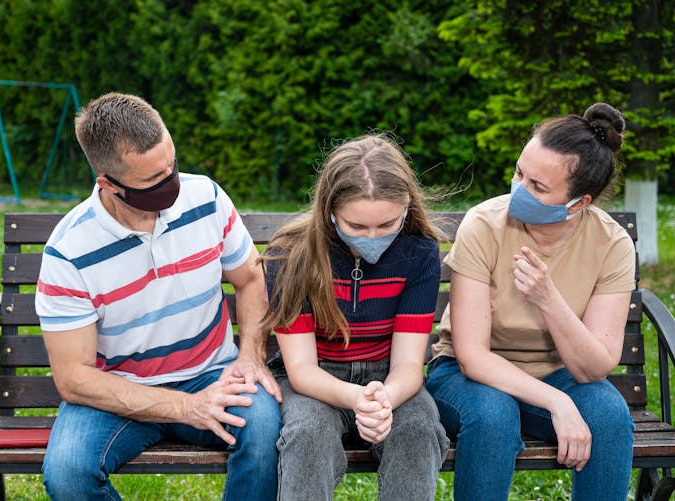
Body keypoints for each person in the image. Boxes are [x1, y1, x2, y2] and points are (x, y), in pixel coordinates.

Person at [35, 92, 282, 501]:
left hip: (212, 373)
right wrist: (185, 408)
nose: (172, 184)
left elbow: (251, 279)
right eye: (153, 181)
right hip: (118, 391)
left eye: (173, 167)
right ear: (108, 184)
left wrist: (250, 355)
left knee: (263, 437)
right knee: (67, 473)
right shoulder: (69, 252)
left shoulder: (205, 198)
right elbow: (74, 379)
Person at [426, 102, 636, 500]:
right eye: (519, 173)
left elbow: (595, 367)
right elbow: (472, 355)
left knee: (608, 417)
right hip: (467, 376)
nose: (518, 189)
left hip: (559, 373)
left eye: (537, 187)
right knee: (493, 417)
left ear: (579, 204)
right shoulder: (484, 225)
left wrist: (549, 300)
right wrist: (556, 402)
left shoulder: (611, 244)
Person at [261, 134, 449, 500]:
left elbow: (410, 363)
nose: (374, 237)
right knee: (308, 433)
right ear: (329, 211)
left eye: (387, 224)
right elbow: (300, 369)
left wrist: (384, 399)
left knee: (419, 430)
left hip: (389, 378)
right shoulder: (291, 254)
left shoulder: (420, 251)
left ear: (408, 206)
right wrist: (358, 398)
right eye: (357, 227)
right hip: (316, 380)